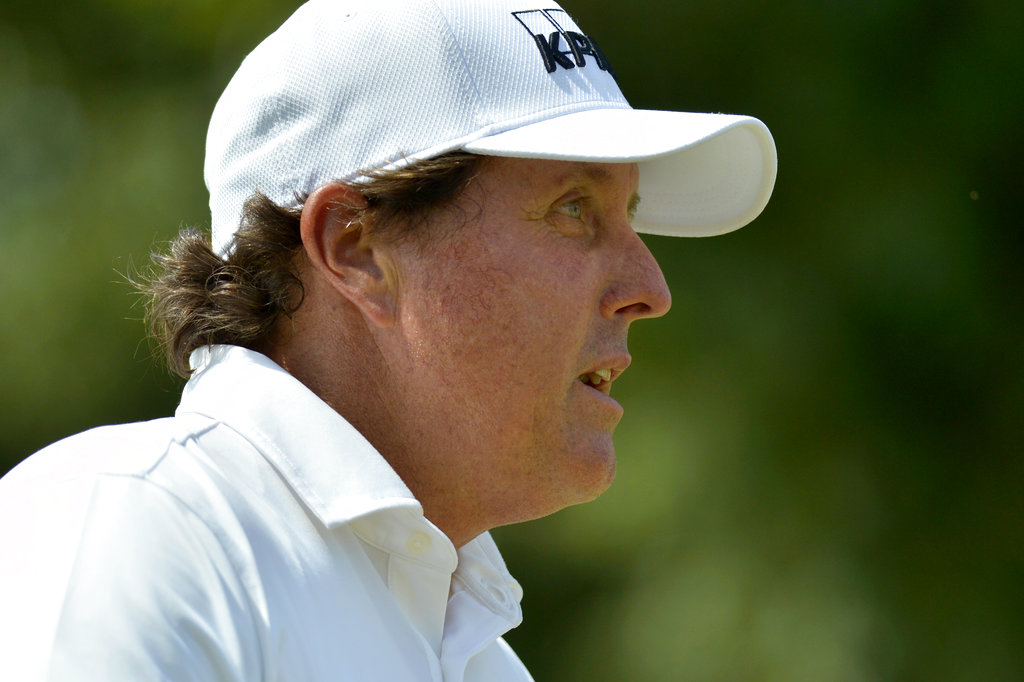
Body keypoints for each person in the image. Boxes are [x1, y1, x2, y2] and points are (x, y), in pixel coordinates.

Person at [0, 0, 776, 679]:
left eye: (627, 217)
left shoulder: (483, 660)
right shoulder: (131, 530)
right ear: (354, 249)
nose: (650, 289)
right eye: (573, 209)